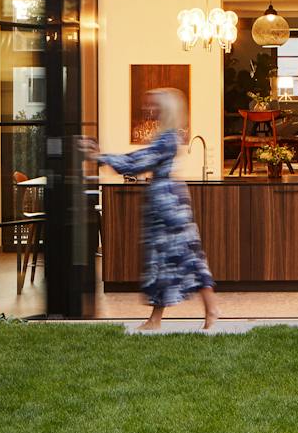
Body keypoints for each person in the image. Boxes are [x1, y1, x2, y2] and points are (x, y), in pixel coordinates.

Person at [81, 88, 220, 330]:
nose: (148, 109)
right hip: (168, 204)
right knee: (179, 259)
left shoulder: (166, 139)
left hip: (169, 208)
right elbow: (140, 160)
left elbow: (139, 161)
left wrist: (100, 157)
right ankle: (195, 313)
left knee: (173, 259)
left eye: (153, 105)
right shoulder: (166, 136)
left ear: (165, 109)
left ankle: (170, 317)